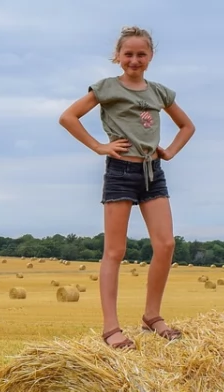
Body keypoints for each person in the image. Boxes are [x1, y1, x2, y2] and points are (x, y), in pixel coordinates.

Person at [58, 26, 195, 349]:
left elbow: (187, 126)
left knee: (165, 245)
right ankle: (111, 328)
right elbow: (68, 117)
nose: (134, 60)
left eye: (141, 54)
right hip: (120, 171)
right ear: (118, 57)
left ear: (150, 57)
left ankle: (152, 315)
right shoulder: (106, 87)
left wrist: (170, 151)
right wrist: (98, 146)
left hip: (152, 173)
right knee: (115, 251)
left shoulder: (160, 92)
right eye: (128, 54)